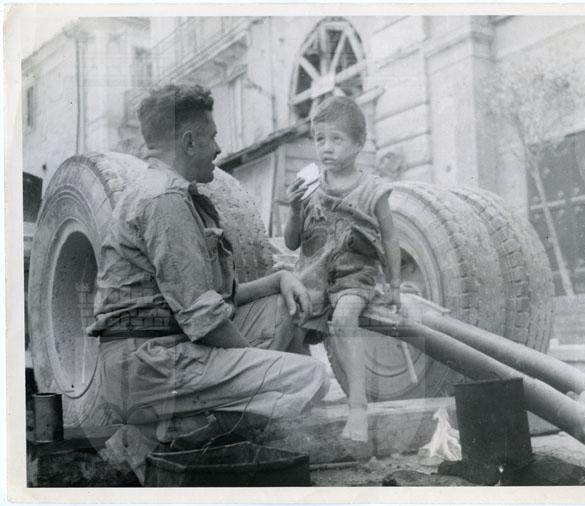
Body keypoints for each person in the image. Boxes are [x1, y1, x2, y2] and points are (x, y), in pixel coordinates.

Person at [85, 84, 329, 480]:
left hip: (160, 353)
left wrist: (280, 278)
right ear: (189, 142)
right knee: (309, 377)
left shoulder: (163, 191)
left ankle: (188, 423)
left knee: (283, 309)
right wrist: (255, 364)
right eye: (212, 137)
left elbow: (214, 299)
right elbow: (206, 317)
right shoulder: (165, 200)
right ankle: (154, 436)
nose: (218, 148)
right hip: (149, 365)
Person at [284, 96, 402, 443]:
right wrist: (294, 209)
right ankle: (306, 397)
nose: (327, 147)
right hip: (315, 275)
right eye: (320, 139)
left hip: (356, 276)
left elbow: (390, 238)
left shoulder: (372, 189)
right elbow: (291, 243)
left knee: (345, 319)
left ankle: (357, 405)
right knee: (289, 320)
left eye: (337, 139)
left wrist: (395, 285)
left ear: (359, 143)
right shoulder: (309, 187)